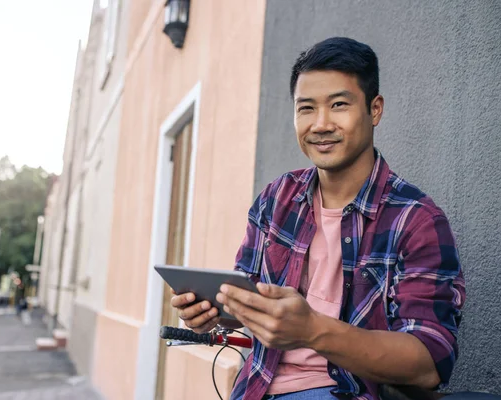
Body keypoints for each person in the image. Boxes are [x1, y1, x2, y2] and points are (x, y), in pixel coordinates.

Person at [171, 37, 465, 400]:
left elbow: (429, 363)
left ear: (374, 110)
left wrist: (312, 330)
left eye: (339, 105)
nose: (320, 124)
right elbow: (256, 306)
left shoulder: (416, 219)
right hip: (254, 388)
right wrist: (215, 313)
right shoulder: (277, 198)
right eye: (306, 108)